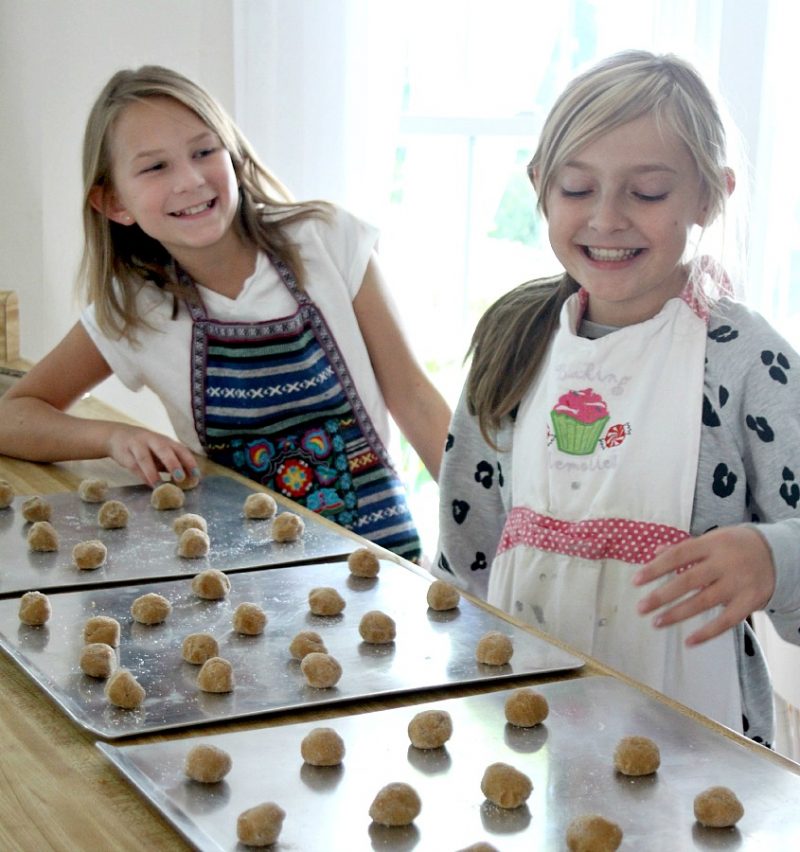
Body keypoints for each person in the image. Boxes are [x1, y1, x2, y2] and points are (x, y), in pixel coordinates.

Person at [434, 50, 800, 745]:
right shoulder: (518, 339)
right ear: (540, 185)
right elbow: (465, 541)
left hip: (698, 728)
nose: (606, 218)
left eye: (648, 193)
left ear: (709, 196)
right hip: (529, 710)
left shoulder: (747, 360)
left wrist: (773, 557)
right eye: (577, 188)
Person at [0, 65, 451, 562]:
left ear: (232, 154)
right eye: (155, 167)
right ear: (113, 202)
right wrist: (111, 436)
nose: (190, 180)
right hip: (244, 580)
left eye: (203, 151)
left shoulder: (326, 239)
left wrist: (484, 537)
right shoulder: (134, 310)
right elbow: (13, 416)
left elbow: (415, 399)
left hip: (381, 558)